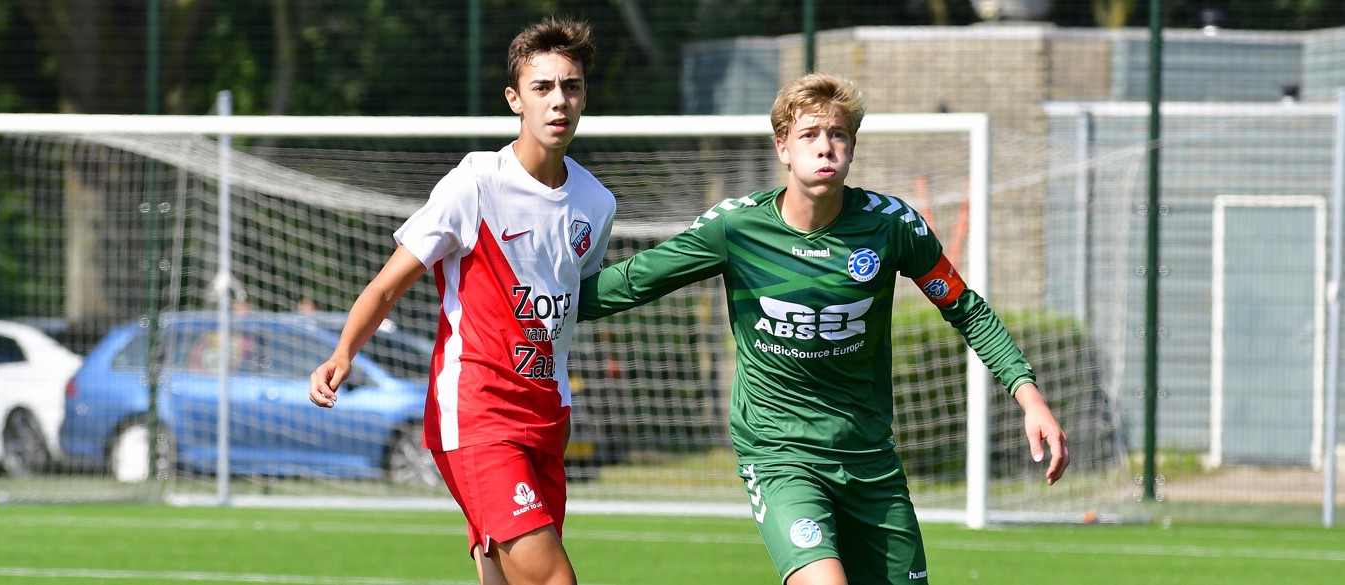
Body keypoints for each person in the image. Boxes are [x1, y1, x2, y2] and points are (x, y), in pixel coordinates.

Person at [577, 73, 1069, 585]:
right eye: (809, 134)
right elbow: (631, 282)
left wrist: (1030, 398)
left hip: (869, 457)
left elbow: (966, 309)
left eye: (837, 134)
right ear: (783, 148)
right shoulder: (736, 226)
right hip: (780, 452)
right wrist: (538, 305)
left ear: (852, 147)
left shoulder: (891, 225)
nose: (825, 146)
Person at [309, 16, 613, 585]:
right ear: (514, 99)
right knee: (553, 579)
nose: (559, 100)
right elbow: (388, 283)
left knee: (504, 578)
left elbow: (580, 300)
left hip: (549, 415)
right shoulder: (476, 183)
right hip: (476, 413)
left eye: (571, 86)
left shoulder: (596, 203)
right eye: (542, 87)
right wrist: (343, 352)